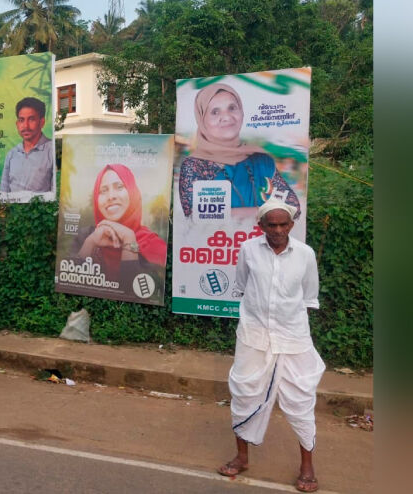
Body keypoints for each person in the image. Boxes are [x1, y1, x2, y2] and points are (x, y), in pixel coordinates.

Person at [218, 197, 323, 493]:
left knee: (301, 400)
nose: (277, 230)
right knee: (243, 393)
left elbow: (309, 297)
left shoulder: (305, 254)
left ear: (291, 224)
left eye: (283, 224)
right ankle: (242, 457)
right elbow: (242, 286)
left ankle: (307, 466)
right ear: (261, 225)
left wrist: (288, 326)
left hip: (293, 338)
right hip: (253, 335)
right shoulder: (248, 249)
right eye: (271, 225)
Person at [179, 83, 300, 218]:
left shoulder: (261, 161)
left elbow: (293, 207)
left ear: (242, 113)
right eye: (215, 112)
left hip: (262, 233)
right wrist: (262, 212)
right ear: (202, 119)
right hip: (219, 234)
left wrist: (237, 213)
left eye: (232, 108)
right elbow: (195, 216)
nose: (226, 117)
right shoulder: (195, 166)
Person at [75, 164, 167, 281]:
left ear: (132, 192)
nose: (111, 196)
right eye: (103, 190)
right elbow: (71, 281)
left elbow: (132, 288)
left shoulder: (153, 245)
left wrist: (129, 239)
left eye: (119, 187)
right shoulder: (85, 237)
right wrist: (90, 243)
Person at [0, 97, 54, 193]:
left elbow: (56, 193)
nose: (25, 126)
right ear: (17, 124)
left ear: (42, 122)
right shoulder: (11, 154)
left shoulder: (52, 151)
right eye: (21, 120)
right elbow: (3, 192)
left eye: (31, 119)